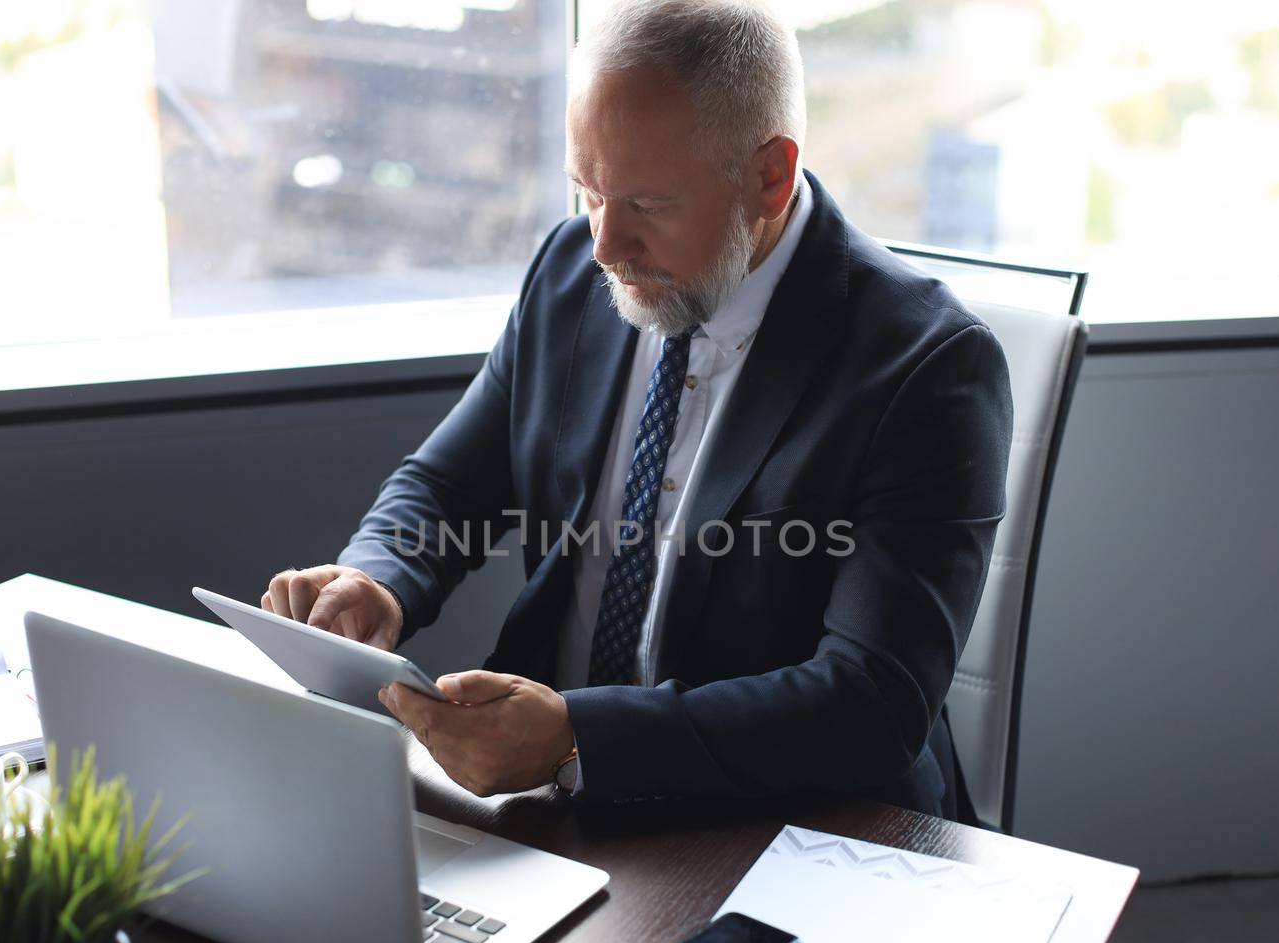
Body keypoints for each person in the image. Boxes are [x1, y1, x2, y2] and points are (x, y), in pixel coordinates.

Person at [260, 0, 1012, 818]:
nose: (605, 246)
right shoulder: (569, 273)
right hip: (557, 803)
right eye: (587, 191)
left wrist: (580, 734)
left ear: (770, 176)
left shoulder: (928, 366)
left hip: (801, 826)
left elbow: (869, 703)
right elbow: (447, 486)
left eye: (647, 205)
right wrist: (377, 579)